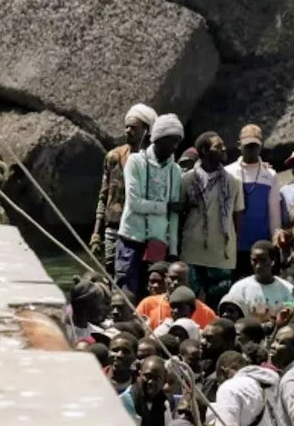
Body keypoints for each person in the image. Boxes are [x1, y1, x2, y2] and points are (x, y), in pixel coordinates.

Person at [116, 114, 184, 301]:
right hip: (131, 239)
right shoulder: (135, 161)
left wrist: (173, 252)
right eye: (172, 142)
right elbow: (134, 202)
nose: (175, 148)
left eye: (178, 142)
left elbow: (175, 215)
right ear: (158, 139)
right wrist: (166, 207)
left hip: (157, 244)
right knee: (127, 293)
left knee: (154, 296)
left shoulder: (175, 171)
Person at [179, 131, 243, 307]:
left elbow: (237, 216)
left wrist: (232, 247)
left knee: (218, 306)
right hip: (192, 253)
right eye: (218, 146)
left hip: (221, 255)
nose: (224, 149)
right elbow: (179, 215)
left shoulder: (233, 182)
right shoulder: (187, 180)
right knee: (189, 305)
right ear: (204, 151)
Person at [92, 104, 157, 275]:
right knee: (112, 270)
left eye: (133, 127)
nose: (128, 131)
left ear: (146, 130)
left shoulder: (154, 162)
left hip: (143, 230)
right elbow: (104, 195)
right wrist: (96, 234)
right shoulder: (113, 157)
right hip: (114, 226)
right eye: (126, 127)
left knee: (144, 275)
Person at [225, 124, 280, 280]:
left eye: (255, 146)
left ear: (261, 146)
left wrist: (275, 241)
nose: (251, 150)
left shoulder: (270, 174)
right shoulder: (228, 172)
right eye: (247, 146)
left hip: (261, 247)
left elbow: (274, 212)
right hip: (235, 246)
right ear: (239, 145)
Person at [223, 240, 294, 322]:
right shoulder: (239, 289)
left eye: (263, 261)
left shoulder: (288, 289)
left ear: (272, 261)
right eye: (254, 261)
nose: (258, 266)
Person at [119, 355, 173, 426]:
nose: (151, 382)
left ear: (164, 380)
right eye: (147, 376)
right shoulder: (125, 402)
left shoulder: (164, 404)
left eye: (157, 378)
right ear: (140, 374)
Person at [137, 269, 216, 330]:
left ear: (189, 282)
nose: (175, 283)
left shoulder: (206, 312)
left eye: (180, 279)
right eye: (172, 278)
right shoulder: (147, 304)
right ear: (165, 278)